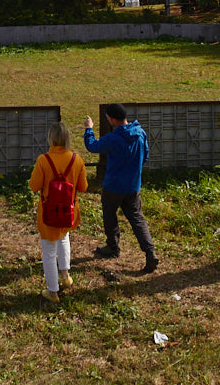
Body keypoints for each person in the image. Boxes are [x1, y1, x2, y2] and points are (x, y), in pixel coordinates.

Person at [84, 103, 159, 274]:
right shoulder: (140, 133)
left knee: (110, 216)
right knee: (137, 219)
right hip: (133, 186)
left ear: (112, 119)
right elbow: (145, 156)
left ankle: (113, 247)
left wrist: (89, 129)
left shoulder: (114, 137)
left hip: (113, 186)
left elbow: (92, 146)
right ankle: (150, 252)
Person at [29, 121, 88, 304]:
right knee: (64, 239)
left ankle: (52, 291)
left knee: (48, 252)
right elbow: (83, 187)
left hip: (48, 214)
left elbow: (34, 186)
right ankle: (66, 276)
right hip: (68, 212)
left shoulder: (43, 160)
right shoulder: (76, 159)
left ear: (51, 139)